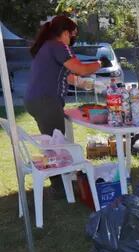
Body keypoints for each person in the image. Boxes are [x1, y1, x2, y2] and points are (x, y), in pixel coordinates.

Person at [24, 15, 104, 197]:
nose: (72, 40)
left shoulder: (46, 47)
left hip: (35, 100)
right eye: (72, 35)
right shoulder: (58, 46)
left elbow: (68, 76)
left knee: (52, 142)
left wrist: (89, 85)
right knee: (56, 144)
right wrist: (99, 63)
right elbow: (81, 69)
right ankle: (61, 187)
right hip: (46, 101)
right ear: (65, 32)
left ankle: (61, 182)